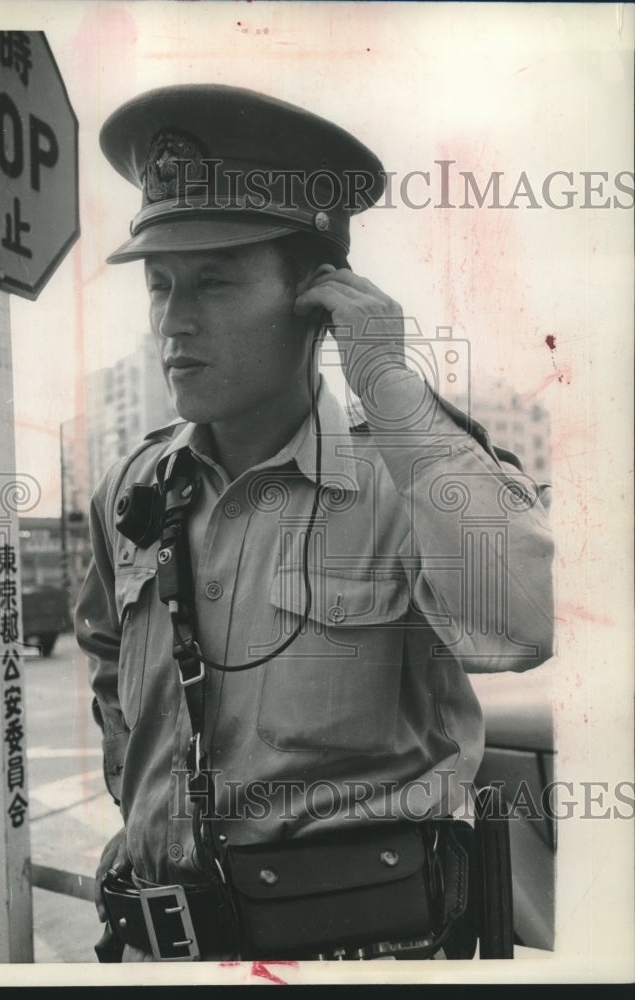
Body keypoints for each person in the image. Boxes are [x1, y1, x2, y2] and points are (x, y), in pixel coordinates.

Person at [75, 83, 554, 962]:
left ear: (318, 296)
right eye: (160, 285)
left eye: (215, 282)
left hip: (362, 952)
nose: (173, 321)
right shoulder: (135, 489)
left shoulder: (403, 476)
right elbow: (110, 665)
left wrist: (391, 388)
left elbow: (522, 623)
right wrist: (144, 812)